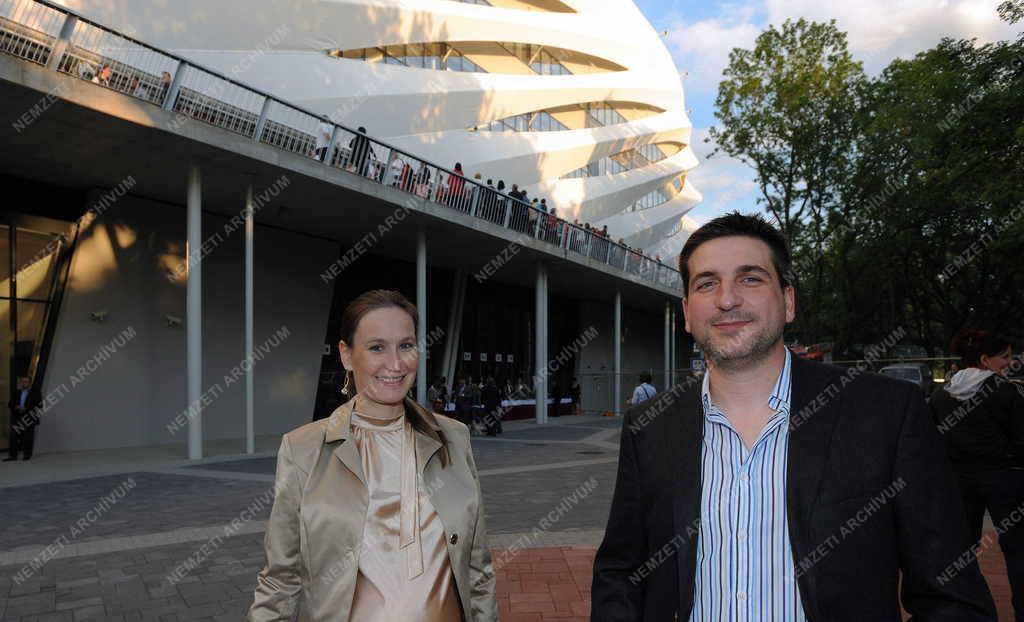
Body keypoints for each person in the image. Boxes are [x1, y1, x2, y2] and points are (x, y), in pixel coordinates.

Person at [591, 212, 995, 621]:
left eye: (750, 278)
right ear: (687, 312)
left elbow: (954, 598)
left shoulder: (886, 413)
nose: (727, 299)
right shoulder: (650, 426)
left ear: (788, 302)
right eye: (707, 283)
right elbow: (621, 571)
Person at [249, 290, 496, 621]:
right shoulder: (303, 448)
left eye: (406, 345)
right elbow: (280, 579)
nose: (395, 364)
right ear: (347, 355)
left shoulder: (453, 437)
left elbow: (477, 568)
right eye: (377, 347)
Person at [931, 329, 1024, 619]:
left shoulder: (941, 394)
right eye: (1004, 357)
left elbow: (932, 439)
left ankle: (969, 611)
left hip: (959, 481)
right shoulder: (1006, 392)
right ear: (985, 360)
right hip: (1004, 479)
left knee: (960, 554)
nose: (1009, 363)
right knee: (1018, 551)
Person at [6, 376, 42, 461]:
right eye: (23, 382)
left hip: (29, 416)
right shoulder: (16, 392)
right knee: (13, 436)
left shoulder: (36, 393)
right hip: (17, 416)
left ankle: (27, 454)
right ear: (21, 383)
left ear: (30, 383)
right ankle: (13, 456)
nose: (24, 383)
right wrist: (16, 407)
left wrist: (26, 408)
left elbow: (39, 404)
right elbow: (10, 404)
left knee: (28, 436)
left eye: (26, 382)